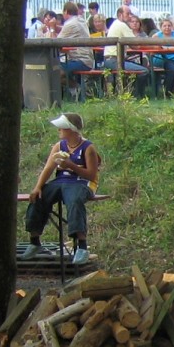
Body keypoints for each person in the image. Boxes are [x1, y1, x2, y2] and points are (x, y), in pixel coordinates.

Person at [23, 112, 101, 265]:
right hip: (61, 181)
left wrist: (71, 165)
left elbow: (91, 175)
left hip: (81, 183)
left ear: (71, 130)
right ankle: (34, 241)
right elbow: (48, 168)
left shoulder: (88, 148)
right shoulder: (59, 146)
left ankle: (82, 246)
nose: (58, 130)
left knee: (75, 201)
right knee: (39, 197)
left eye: (61, 128)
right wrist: (38, 187)